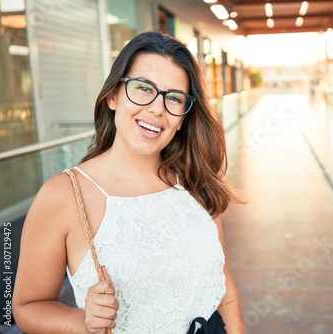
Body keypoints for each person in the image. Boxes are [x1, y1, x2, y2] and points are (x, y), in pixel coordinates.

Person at [13, 31, 245, 333]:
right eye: (143, 88)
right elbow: (27, 306)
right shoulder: (67, 194)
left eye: (174, 97)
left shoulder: (195, 181)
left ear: (183, 117)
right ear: (113, 95)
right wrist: (83, 322)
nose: (157, 108)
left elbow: (223, 282)